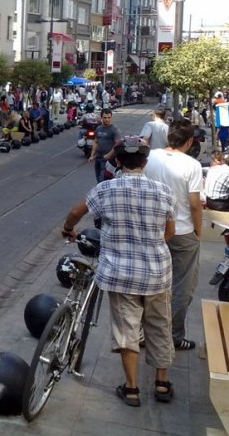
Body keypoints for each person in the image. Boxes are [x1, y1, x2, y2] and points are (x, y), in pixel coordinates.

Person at [62, 137, 176, 407]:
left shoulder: (105, 190)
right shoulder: (163, 191)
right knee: (160, 326)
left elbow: (76, 211)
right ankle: (161, 383)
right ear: (145, 163)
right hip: (157, 273)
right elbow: (169, 232)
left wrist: (68, 229)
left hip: (120, 274)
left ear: (118, 161)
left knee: (127, 330)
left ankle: (132, 388)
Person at [143, 118, 204, 351]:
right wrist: (198, 231)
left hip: (153, 230)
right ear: (189, 141)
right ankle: (173, 336)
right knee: (181, 286)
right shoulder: (192, 165)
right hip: (181, 232)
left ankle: (142, 333)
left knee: (151, 282)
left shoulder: (150, 157)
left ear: (169, 137)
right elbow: (195, 204)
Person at [89, 108, 121, 183]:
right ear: (101, 118)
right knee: (98, 180)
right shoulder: (98, 128)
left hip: (108, 160)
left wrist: (108, 155)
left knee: (102, 181)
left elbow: (118, 144)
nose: (107, 120)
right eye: (105, 118)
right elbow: (96, 141)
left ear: (111, 117)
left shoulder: (114, 130)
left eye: (109, 118)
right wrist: (92, 155)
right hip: (98, 158)